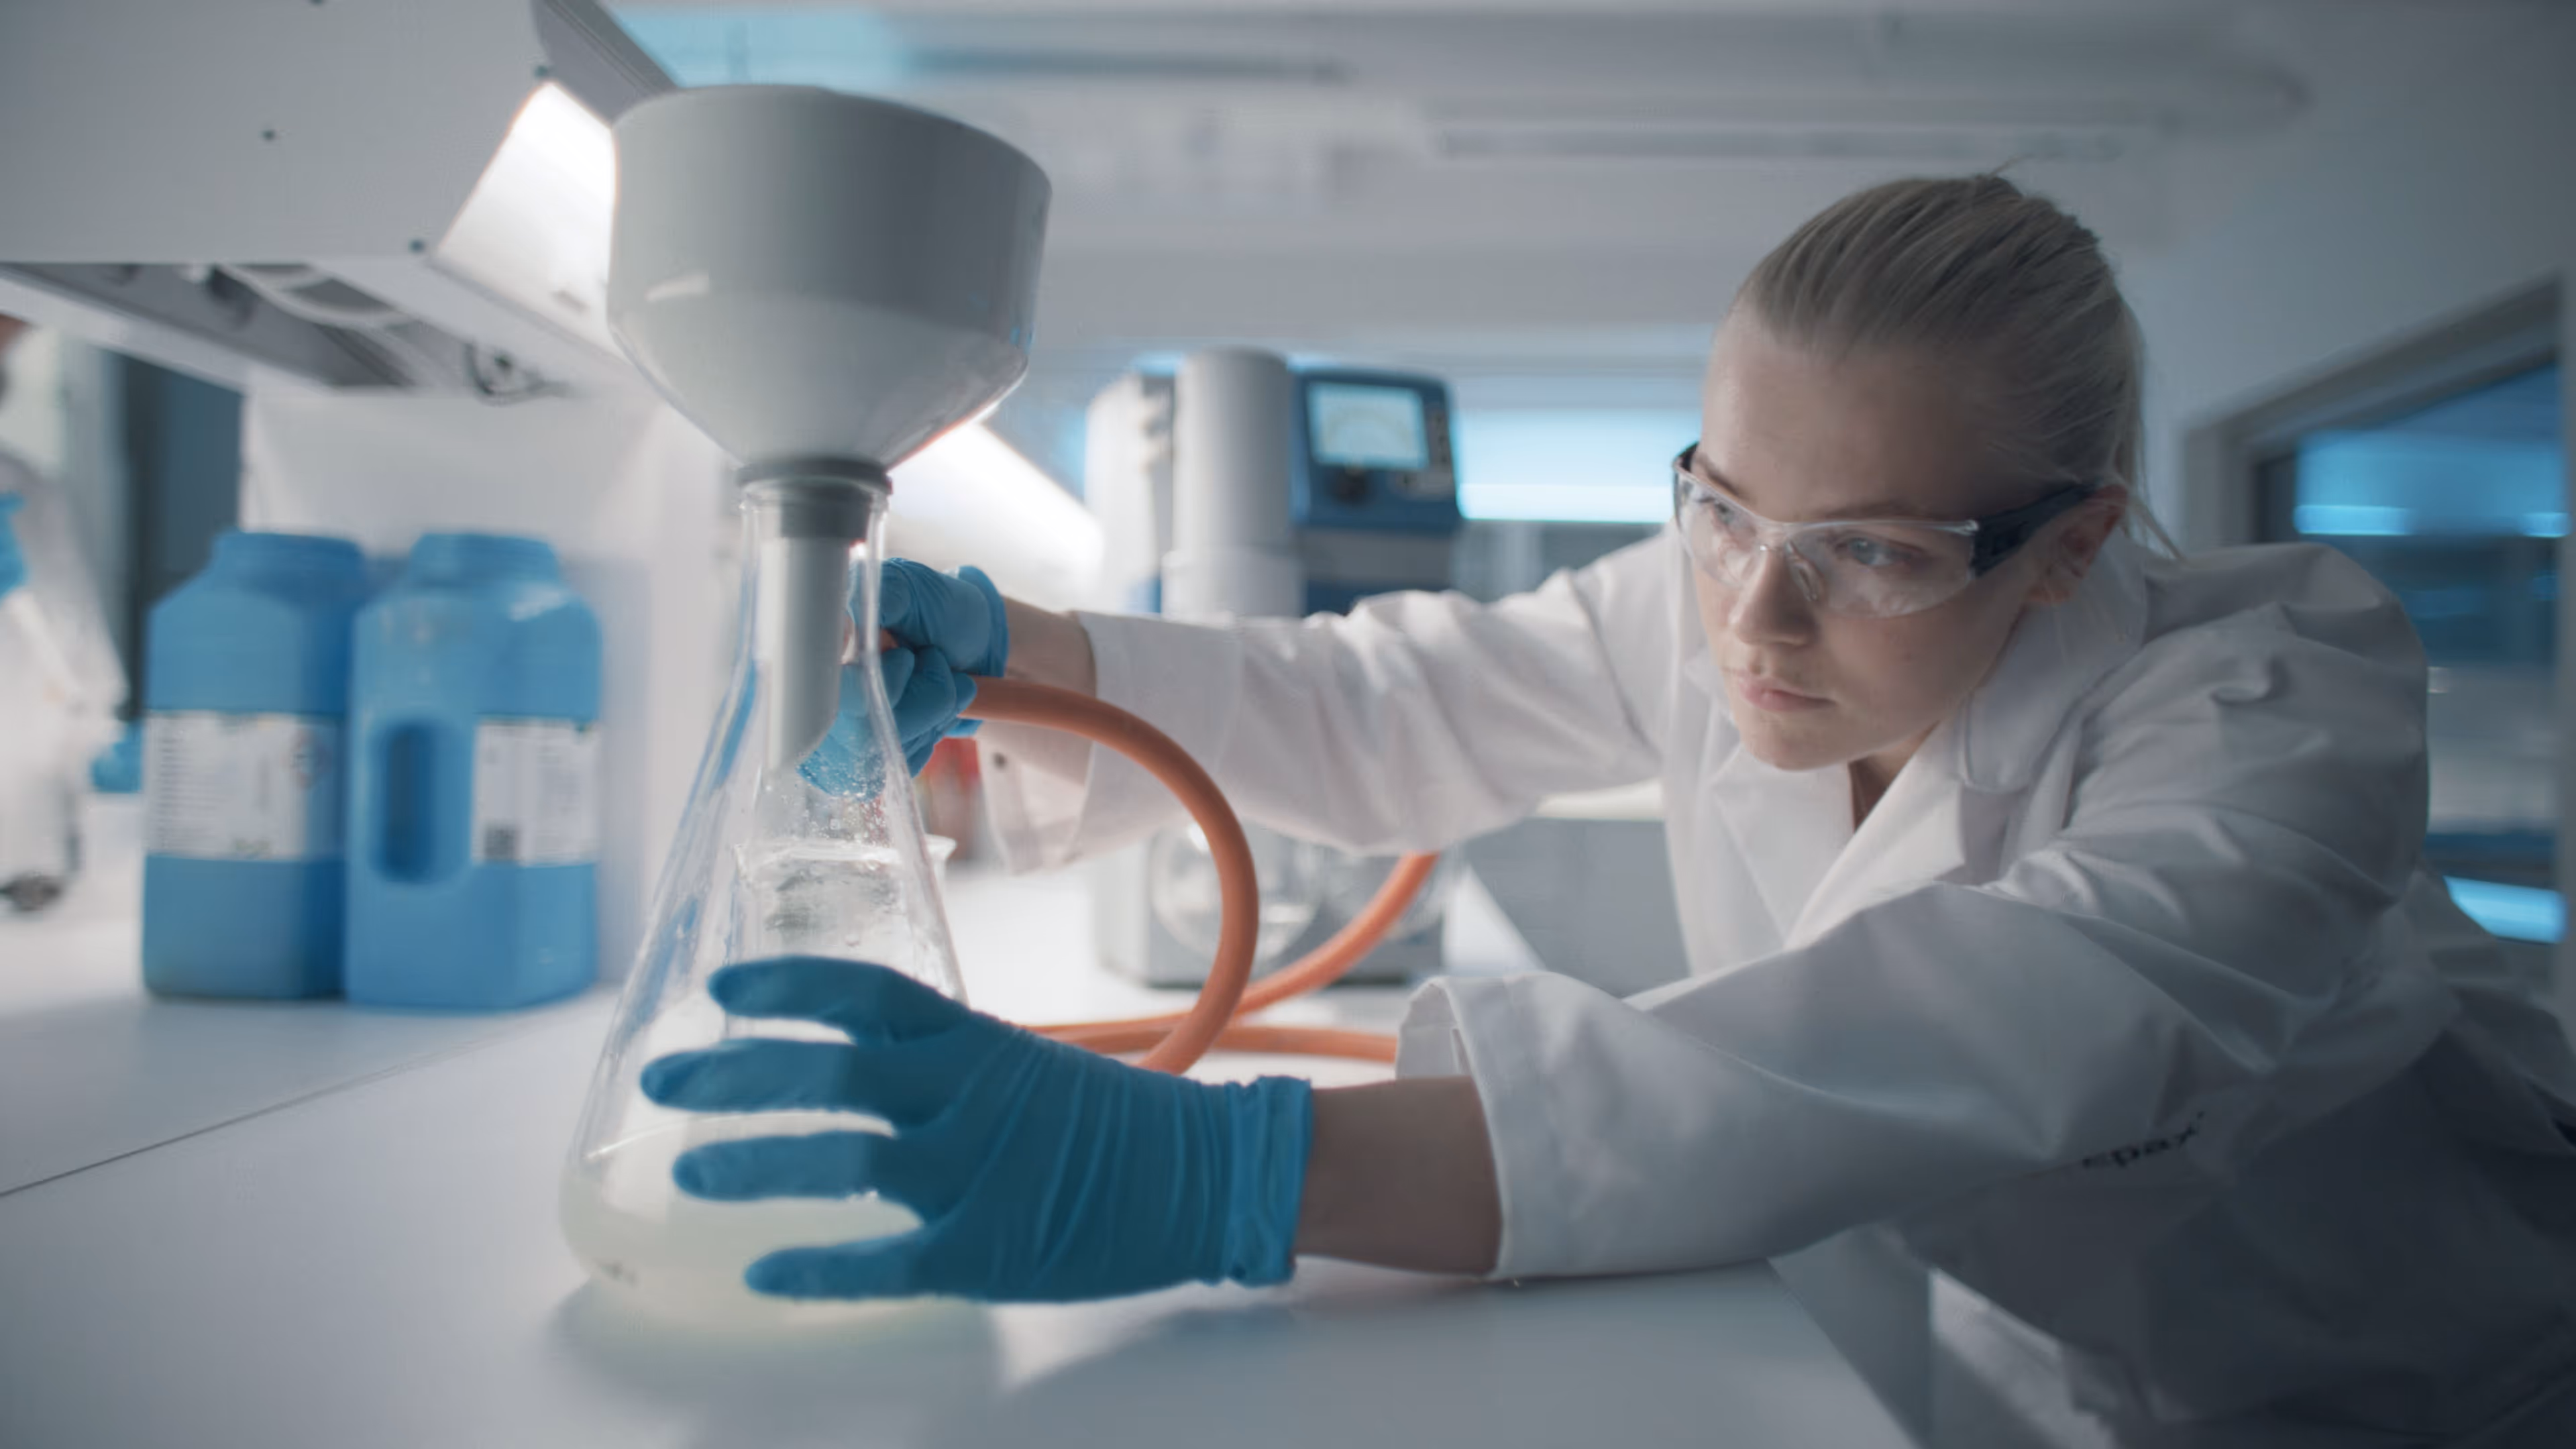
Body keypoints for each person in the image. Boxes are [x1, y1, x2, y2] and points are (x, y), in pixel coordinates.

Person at [638, 176, 2576, 1446]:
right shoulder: (1722, 597)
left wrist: (1228, 1177)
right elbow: (1391, 705)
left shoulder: (2277, 698)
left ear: (2066, 550)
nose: (1751, 616)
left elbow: (1972, 1034)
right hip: (2071, 1366)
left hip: (2429, 1376)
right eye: (1720, 503)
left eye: (1869, 553)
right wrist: (1031, 654)